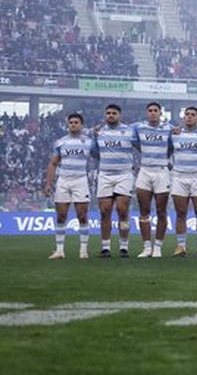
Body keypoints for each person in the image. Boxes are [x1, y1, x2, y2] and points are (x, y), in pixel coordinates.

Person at [44, 112, 93, 260]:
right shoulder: (60, 142)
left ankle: (83, 250)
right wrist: (48, 183)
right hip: (63, 181)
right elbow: (53, 163)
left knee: (82, 216)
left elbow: (99, 155)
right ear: (68, 125)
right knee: (61, 216)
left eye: (76, 122)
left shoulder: (89, 142)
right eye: (71, 122)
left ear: (81, 125)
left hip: (80, 180)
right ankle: (59, 251)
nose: (73, 124)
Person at [92, 103, 136, 258]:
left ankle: (124, 246)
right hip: (105, 175)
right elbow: (94, 152)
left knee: (122, 210)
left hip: (124, 175)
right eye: (108, 113)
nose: (110, 115)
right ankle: (105, 247)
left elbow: (140, 146)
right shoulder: (98, 132)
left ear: (120, 115)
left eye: (114, 113)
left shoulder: (129, 132)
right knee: (104, 212)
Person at [170, 107, 197, 257]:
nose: (189, 117)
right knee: (180, 213)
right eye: (187, 115)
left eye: (192, 115)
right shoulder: (174, 135)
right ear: (183, 118)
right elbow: (168, 151)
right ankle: (180, 246)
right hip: (179, 177)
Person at [133, 102, 174, 257]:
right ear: (146, 113)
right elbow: (134, 142)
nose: (152, 113)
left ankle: (158, 247)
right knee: (144, 211)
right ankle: (146, 247)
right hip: (144, 171)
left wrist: (164, 158)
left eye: (155, 111)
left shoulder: (169, 128)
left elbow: (171, 147)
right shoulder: (138, 127)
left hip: (161, 172)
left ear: (160, 113)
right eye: (149, 111)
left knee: (161, 211)